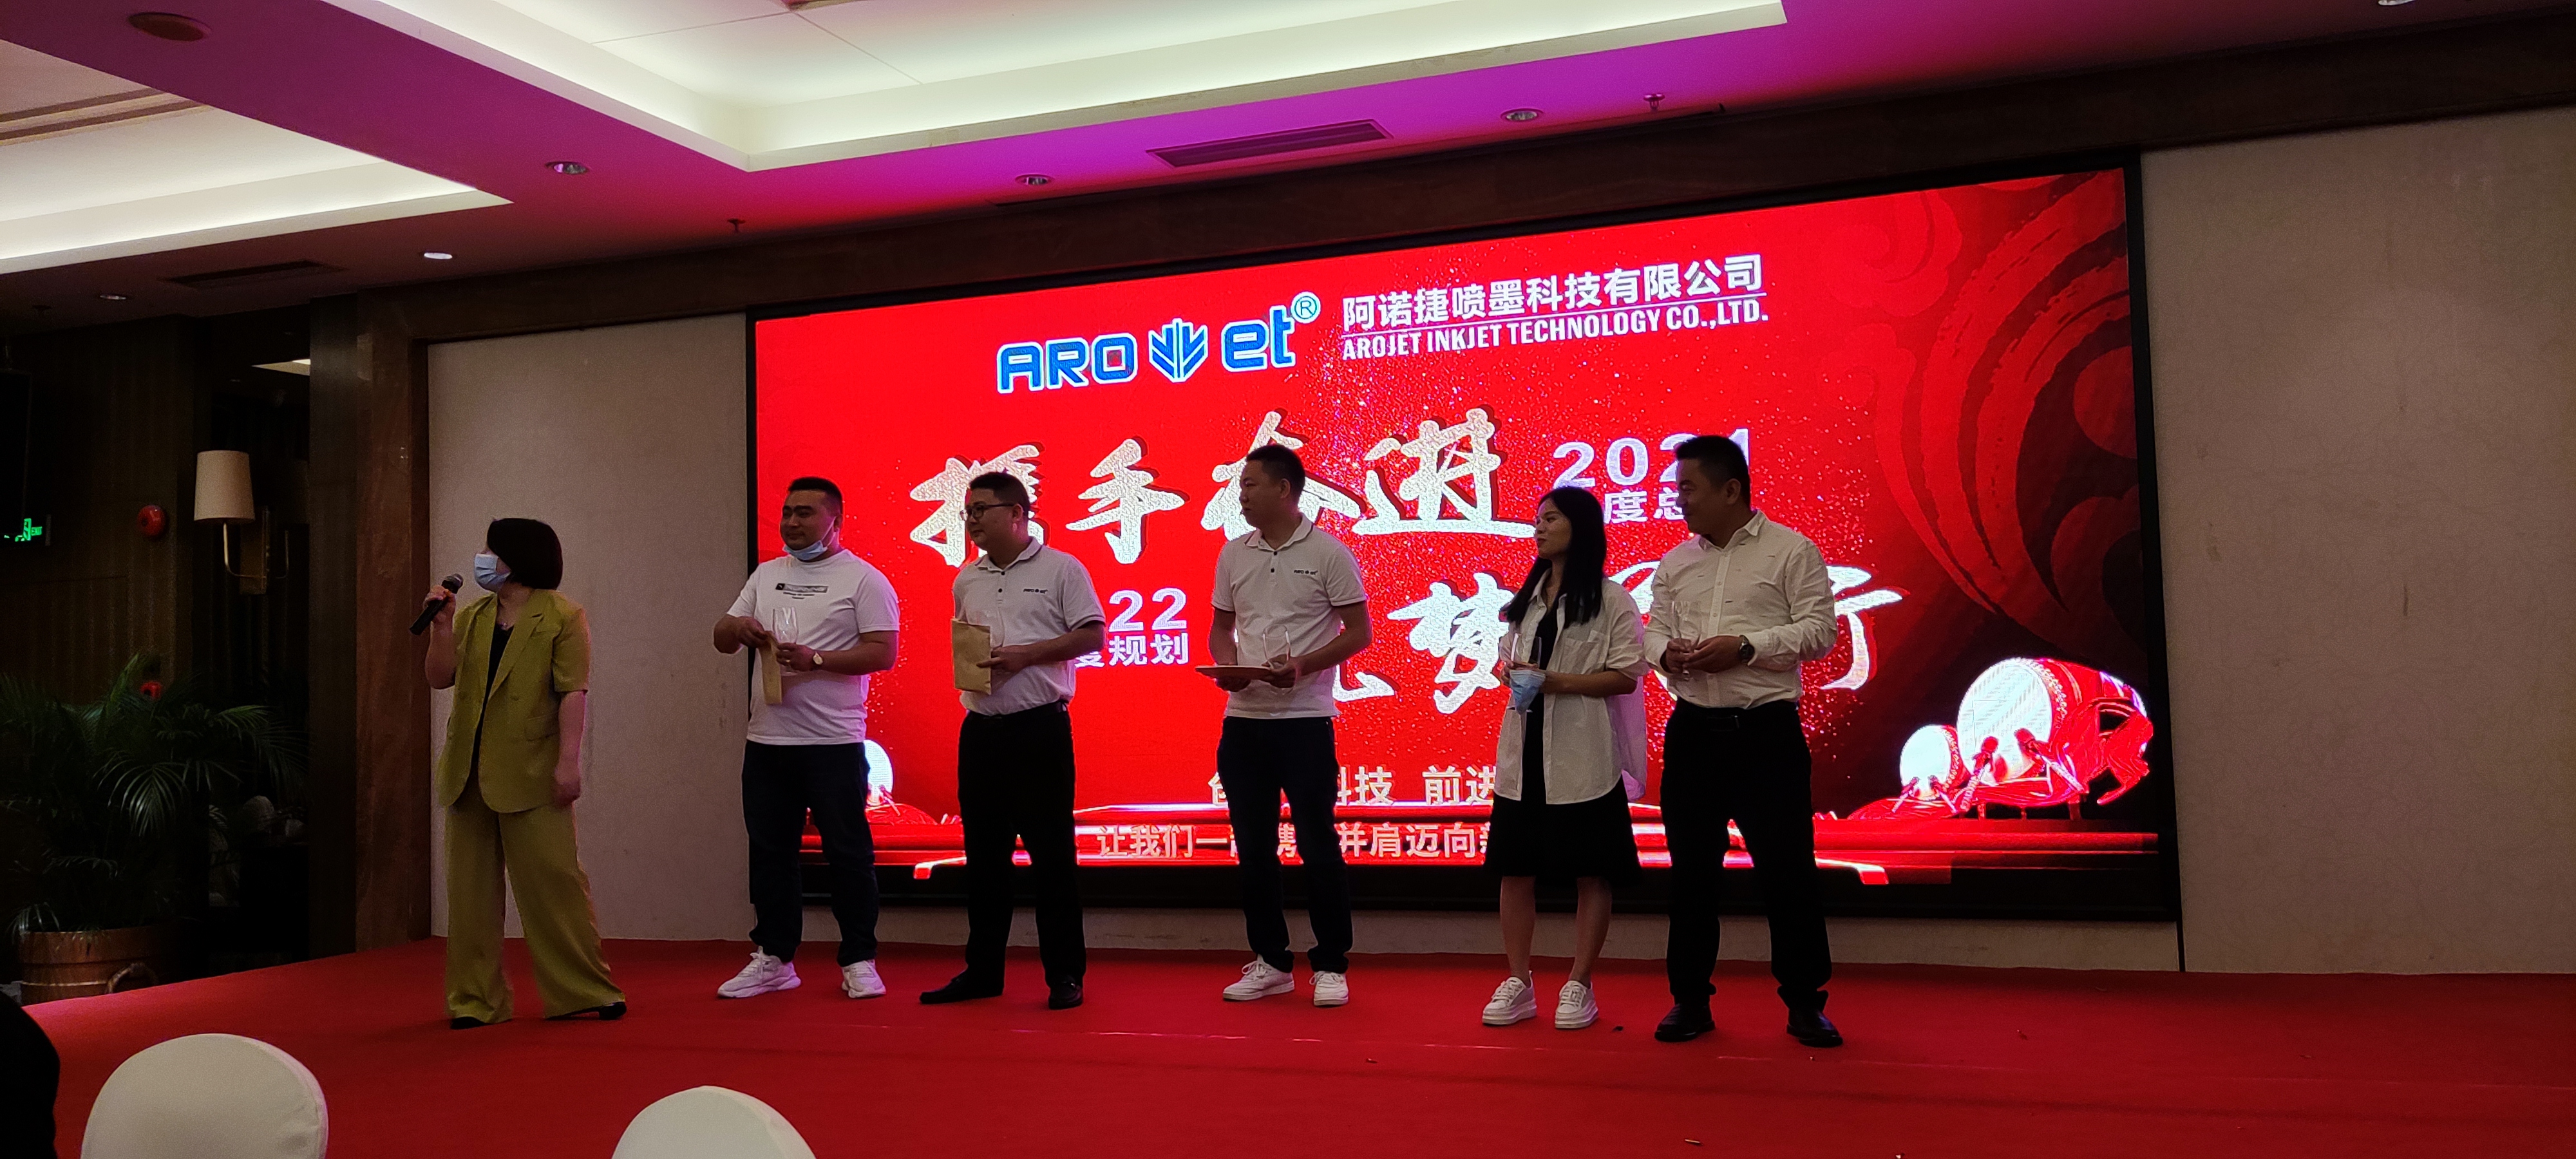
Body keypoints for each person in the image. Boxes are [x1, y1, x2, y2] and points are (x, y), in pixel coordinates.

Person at [1642, 435, 1844, 1047]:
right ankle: (1689, 1001)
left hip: (1766, 735)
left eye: (1688, 488)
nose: (1679, 500)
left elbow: (1821, 632)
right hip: (1693, 733)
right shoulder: (1676, 563)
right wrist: (1668, 654)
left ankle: (1805, 1002)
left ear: (1731, 490)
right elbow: (1653, 634)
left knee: (1788, 872)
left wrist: (1748, 647)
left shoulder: (1791, 550)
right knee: (1691, 875)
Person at [423, 517, 625, 1028]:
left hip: (534, 770)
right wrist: (441, 627)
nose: (481, 558)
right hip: (467, 771)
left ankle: (583, 989)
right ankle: (475, 1001)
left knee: (555, 884)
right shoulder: (473, 616)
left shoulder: (562, 615)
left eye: (489, 549)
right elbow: (439, 677)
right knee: (469, 897)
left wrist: (568, 762)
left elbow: (573, 691)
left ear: (516, 558)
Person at [920, 473, 1106, 1011]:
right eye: (968, 512)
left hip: (1039, 729)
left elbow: (1093, 634)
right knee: (983, 858)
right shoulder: (967, 579)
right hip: (981, 729)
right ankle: (983, 971)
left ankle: (1065, 975)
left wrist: (1026, 656)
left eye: (981, 509)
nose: (972, 520)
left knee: (1052, 857)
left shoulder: (1062, 569)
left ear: (1018, 513)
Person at [710, 477, 900, 1001]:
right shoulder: (768, 574)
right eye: (787, 513)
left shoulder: (863, 579)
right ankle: (775, 957)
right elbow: (722, 637)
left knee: (848, 854)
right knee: (770, 854)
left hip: (833, 742)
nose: (792, 523)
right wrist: (740, 628)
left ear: (836, 520)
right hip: (768, 741)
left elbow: (883, 652)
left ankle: (859, 959)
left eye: (805, 513)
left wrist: (818, 659)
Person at [1202, 445, 1372, 1007]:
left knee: (1317, 843)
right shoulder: (1234, 553)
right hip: (1244, 722)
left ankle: (1331, 964)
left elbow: (1359, 633)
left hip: (1305, 721)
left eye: (1251, 485)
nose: (1242, 495)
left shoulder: (1328, 553)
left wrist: (1302, 666)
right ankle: (1271, 961)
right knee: (1254, 847)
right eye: (1241, 486)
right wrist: (1227, 665)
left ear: (1284, 489)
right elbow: (1221, 628)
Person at [1481, 487, 1647, 1030]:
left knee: (1591, 873)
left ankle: (1579, 982)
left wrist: (1557, 682)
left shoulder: (1612, 599)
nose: (1539, 528)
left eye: (1550, 519)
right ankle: (1518, 980)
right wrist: (1512, 674)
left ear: (1581, 526)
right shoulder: (1527, 597)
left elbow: (1626, 675)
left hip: (1582, 752)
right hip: (1524, 750)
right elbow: (1510, 659)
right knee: (1515, 870)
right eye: (1538, 520)